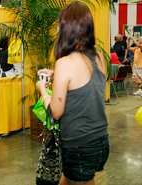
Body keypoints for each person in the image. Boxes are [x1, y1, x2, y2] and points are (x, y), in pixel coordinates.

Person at [36, 2, 109, 185]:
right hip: (100, 140)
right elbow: (85, 84)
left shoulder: (65, 63)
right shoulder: (99, 56)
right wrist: (57, 75)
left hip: (79, 146)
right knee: (74, 180)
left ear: (65, 28)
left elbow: (55, 111)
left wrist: (42, 90)